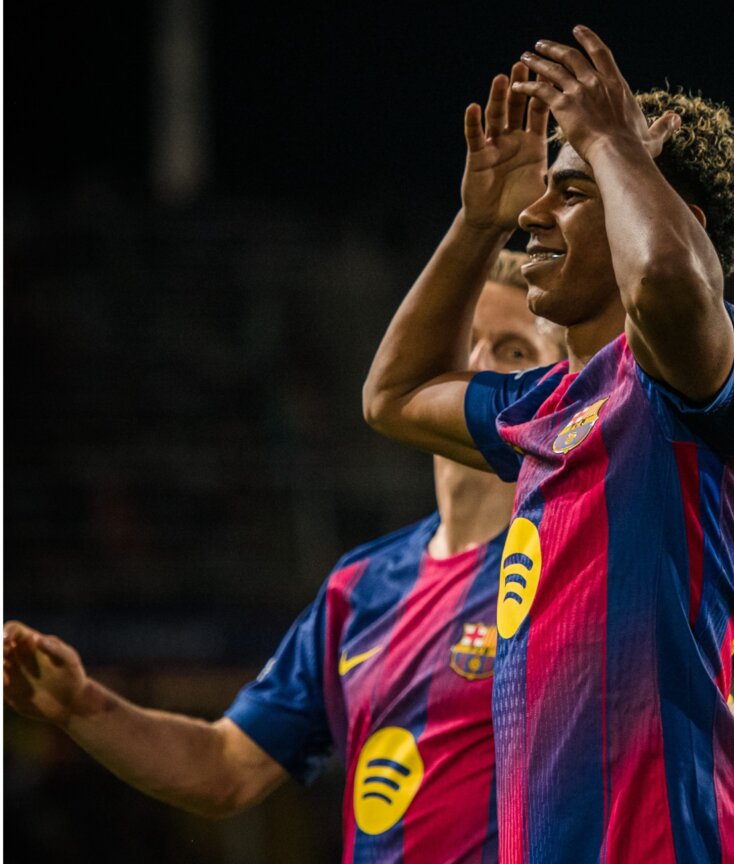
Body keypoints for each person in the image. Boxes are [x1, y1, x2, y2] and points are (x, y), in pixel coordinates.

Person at [361, 25, 734, 863]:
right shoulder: (546, 411)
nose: (534, 212)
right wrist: (474, 222)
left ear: (675, 217)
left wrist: (609, 140)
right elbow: (393, 395)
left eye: (571, 191)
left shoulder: (719, 378)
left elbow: (671, 283)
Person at [3, 250, 566, 864]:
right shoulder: (364, 586)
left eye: (514, 353)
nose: (478, 368)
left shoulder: (570, 564)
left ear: (556, 388)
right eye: (464, 343)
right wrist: (80, 706)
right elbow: (228, 766)